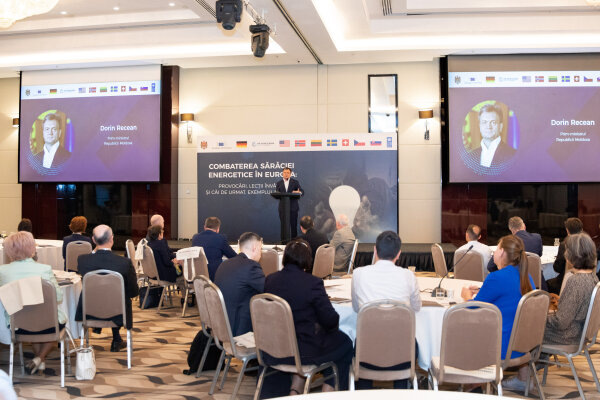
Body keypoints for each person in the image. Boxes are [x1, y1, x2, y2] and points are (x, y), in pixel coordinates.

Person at [503, 232, 599, 393]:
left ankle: (522, 378)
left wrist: (540, 317)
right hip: (579, 332)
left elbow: (562, 322)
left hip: (568, 335)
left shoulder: (576, 281)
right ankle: (534, 365)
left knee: (523, 328)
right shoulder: (592, 278)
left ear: (572, 254)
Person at [264, 239, 353, 394]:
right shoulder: (312, 283)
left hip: (274, 348)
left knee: (328, 342)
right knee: (344, 343)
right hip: (304, 352)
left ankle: (295, 390)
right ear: (307, 260)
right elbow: (330, 320)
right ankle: (327, 393)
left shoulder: (270, 280)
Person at [351, 230, 420, 389]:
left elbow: (356, 309)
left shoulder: (358, 274)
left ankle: (363, 391)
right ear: (399, 254)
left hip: (366, 353)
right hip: (402, 356)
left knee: (362, 343)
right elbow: (416, 308)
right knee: (407, 342)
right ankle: (401, 389)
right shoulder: (409, 276)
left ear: (375, 250)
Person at [0, 231, 65, 375]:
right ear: (31, 248)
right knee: (49, 321)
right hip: (48, 325)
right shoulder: (44, 269)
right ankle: (40, 358)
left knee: (31, 318)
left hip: (17, 326)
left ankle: (39, 359)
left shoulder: (2, 271)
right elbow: (58, 296)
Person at [461, 235, 534, 363]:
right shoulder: (526, 276)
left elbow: (472, 309)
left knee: (459, 329)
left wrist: (466, 296)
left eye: (496, 249)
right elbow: (509, 295)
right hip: (523, 344)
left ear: (502, 252)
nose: (494, 253)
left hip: (500, 346)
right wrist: (483, 290)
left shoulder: (496, 277)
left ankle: (470, 376)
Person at [74, 225, 139, 352]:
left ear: (93, 240)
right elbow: (133, 292)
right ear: (112, 239)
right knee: (118, 297)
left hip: (90, 312)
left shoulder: (83, 261)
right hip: (118, 313)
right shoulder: (124, 263)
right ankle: (116, 339)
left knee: (105, 295)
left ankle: (115, 338)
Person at [213, 232, 265, 336]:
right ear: (254, 248)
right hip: (239, 329)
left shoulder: (225, 264)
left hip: (220, 325)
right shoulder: (251, 266)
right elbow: (268, 289)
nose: (261, 253)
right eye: (261, 249)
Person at [469, 104, 516, 168]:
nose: (488, 127)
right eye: (484, 122)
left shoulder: (513, 155)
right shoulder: (471, 156)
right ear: (480, 126)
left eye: (493, 122)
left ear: (501, 127)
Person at [547, 217, 583, 294]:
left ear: (567, 230)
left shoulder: (565, 245)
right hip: (584, 281)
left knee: (546, 283)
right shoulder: (588, 244)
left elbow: (557, 268)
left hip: (567, 281)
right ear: (581, 229)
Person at [275, 167, 304, 238]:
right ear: (282, 174)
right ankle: (283, 242)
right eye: (284, 173)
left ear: (290, 174)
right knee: (283, 226)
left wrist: (298, 192)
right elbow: (277, 194)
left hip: (293, 208)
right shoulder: (279, 183)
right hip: (283, 208)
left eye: (288, 173)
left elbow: (302, 192)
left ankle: (294, 241)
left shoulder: (295, 182)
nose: (286, 174)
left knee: (293, 226)